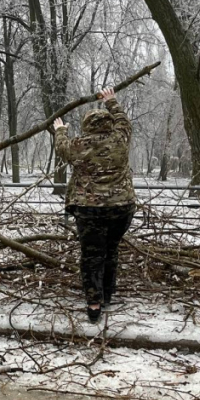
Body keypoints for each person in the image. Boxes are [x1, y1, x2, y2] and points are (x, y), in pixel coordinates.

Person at [53, 87, 136, 323]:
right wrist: (111, 101)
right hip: (122, 208)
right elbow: (124, 121)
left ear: (86, 125)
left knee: (92, 255)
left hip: (90, 211)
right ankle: (107, 294)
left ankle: (94, 302)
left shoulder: (79, 145)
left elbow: (62, 149)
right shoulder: (121, 138)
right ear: (109, 123)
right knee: (111, 250)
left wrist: (60, 130)